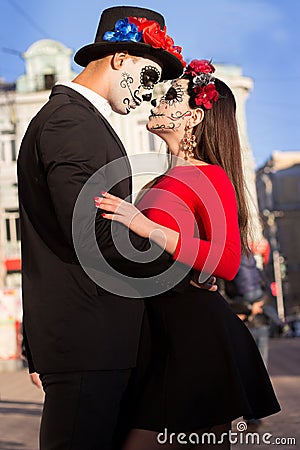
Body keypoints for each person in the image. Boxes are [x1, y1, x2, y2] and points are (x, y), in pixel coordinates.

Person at [17, 6, 193, 450]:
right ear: (120, 59)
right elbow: (93, 236)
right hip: (89, 340)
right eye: (149, 77)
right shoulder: (70, 122)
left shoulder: (78, 121)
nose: (151, 95)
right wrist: (184, 257)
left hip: (90, 337)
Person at [95, 59, 281, 449]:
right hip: (160, 330)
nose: (158, 103)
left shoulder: (209, 175)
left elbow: (228, 261)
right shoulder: (164, 178)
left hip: (193, 331)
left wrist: (146, 227)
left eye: (171, 98)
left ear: (194, 116)